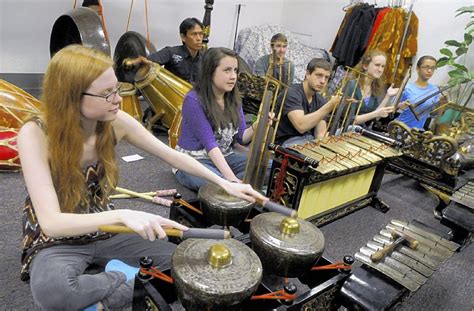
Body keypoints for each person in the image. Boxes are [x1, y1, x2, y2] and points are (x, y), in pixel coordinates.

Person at [18, 45, 266, 310]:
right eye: (106, 94)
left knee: (183, 267)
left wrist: (224, 182)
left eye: (116, 88)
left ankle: (102, 301)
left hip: (105, 230)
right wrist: (123, 215)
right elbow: (52, 223)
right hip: (59, 237)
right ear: (71, 97)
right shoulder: (35, 134)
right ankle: (124, 277)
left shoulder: (115, 121)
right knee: (53, 292)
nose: (118, 98)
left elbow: (173, 156)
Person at [174, 47, 261, 191]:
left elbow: (241, 138)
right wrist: (230, 180)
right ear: (210, 72)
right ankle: (233, 180)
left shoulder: (233, 98)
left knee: (270, 168)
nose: (233, 76)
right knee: (220, 187)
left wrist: (257, 125)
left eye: (235, 70)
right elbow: (211, 146)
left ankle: (235, 180)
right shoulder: (193, 100)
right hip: (194, 161)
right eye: (227, 70)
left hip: (225, 156)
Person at [275, 58, 340, 147]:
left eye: (326, 77)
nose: (323, 81)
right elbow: (301, 126)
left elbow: (320, 135)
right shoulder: (291, 93)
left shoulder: (320, 100)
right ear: (308, 74)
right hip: (286, 143)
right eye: (319, 75)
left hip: (308, 141)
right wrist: (330, 106)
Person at [344, 50, 398, 126]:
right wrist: (376, 113)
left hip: (359, 131)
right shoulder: (352, 86)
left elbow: (375, 117)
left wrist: (388, 96)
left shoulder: (375, 88)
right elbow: (350, 120)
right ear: (365, 65)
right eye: (377, 65)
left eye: (383, 66)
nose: (380, 70)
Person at [148, 17, 204, 83]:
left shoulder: (206, 59)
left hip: (196, 93)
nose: (199, 38)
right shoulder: (171, 52)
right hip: (170, 92)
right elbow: (146, 63)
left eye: (201, 34)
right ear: (183, 37)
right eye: (194, 34)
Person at [396, 55, 441, 129]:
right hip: (400, 127)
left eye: (433, 68)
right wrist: (399, 105)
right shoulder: (407, 88)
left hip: (417, 132)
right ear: (417, 68)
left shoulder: (435, 90)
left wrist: (442, 104)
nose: (429, 71)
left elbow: (433, 114)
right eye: (426, 67)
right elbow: (392, 108)